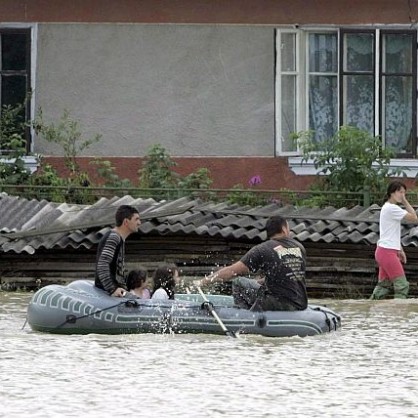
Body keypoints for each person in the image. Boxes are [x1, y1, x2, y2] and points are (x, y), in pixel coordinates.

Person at [199, 215, 308, 311]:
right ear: (284, 229)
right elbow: (286, 276)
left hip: (277, 303)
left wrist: (204, 281)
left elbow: (232, 271)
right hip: (300, 303)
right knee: (254, 283)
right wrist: (258, 282)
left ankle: (243, 315)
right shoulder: (299, 247)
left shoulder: (263, 249)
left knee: (238, 282)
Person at [370, 181, 417, 300]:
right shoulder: (391, 208)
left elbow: (391, 233)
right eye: (400, 192)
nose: (402, 195)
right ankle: (399, 314)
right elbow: (414, 218)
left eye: (404, 193)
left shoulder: (387, 208)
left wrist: (399, 250)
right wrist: (405, 201)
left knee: (383, 287)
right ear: (392, 193)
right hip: (387, 252)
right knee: (402, 286)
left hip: (385, 251)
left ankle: (371, 309)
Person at [95, 205, 141, 297]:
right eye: (136, 219)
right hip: (107, 295)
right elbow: (102, 265)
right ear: (126, 222)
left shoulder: (119, 238)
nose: (139, 223)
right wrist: (112, 289)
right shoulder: (114, 237)